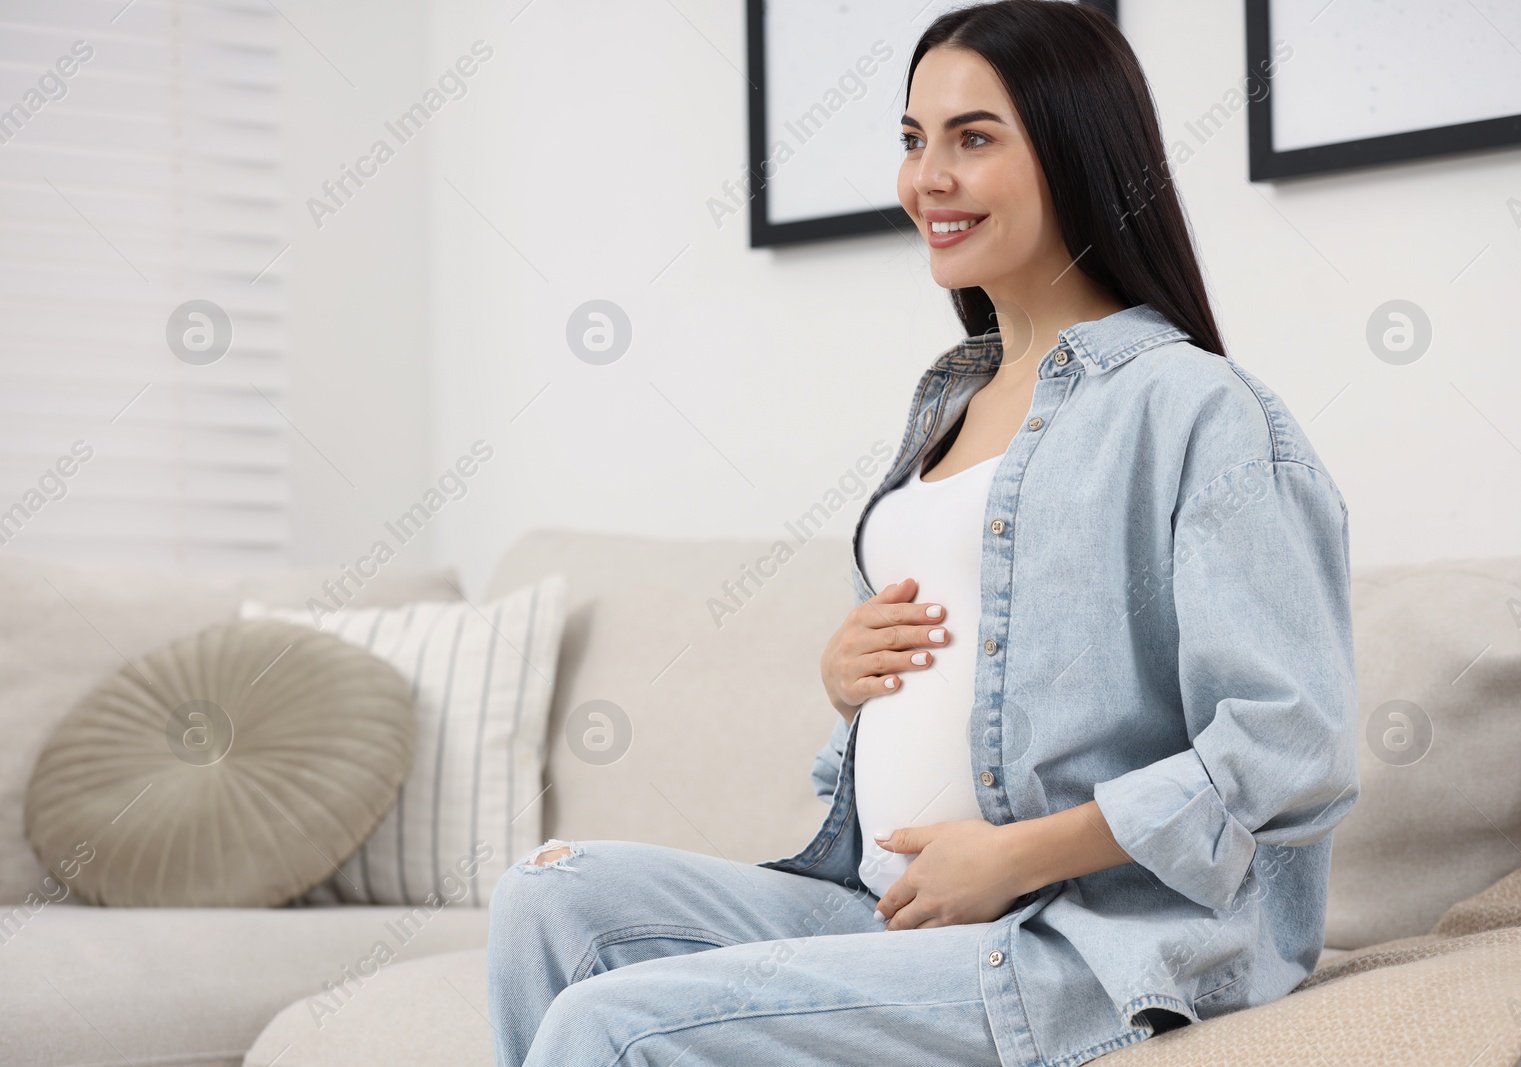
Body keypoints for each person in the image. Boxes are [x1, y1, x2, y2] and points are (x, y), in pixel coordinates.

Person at [485, 2, 1360, 1064]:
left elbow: (1290, 742)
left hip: (1075, 935)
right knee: (546, 895)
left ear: (1079, 150)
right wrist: (850, 686)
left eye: (973, 138)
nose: (925, 178)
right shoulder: (952, 401)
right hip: (888, 905)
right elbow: (981, 685)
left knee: (607, 1024)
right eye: (911, 140)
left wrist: (1014, 856)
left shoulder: (1195, 409)